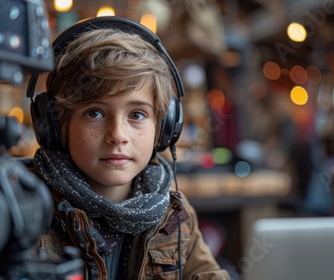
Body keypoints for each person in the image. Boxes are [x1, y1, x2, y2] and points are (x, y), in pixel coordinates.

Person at [30, 17, 229, 279]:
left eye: (136, 115)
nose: (117, 135)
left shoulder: (173, 213)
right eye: (95, 113)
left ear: (164, 127)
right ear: (56, 126)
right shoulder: (27, 211)